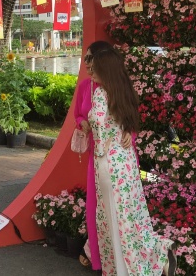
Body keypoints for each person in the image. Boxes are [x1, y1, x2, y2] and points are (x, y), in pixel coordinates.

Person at [89, 48, 177, 276]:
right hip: (126, 162)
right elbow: (126, 123)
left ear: (104, 68)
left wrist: (100, 143)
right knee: (131, 216)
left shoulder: (100, 93)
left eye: (94, 63)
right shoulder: (123, 91)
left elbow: (98, 125)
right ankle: (156, 254)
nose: (90, 68)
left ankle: (122, 270)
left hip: (109, 162)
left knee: (113, 219)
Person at [73, 40, 113, 270]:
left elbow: (128, 120)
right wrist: (82, 122)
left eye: (90, 58)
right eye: (86, 58)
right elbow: (78, 114)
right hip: (95, 154)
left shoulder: (116, 86)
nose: (86, 63)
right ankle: (97, 257)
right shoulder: (85, 87)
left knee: (116, 208)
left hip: (118, 158)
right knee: (95, 207)